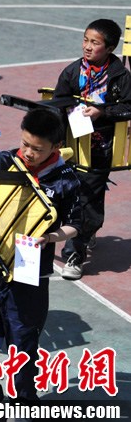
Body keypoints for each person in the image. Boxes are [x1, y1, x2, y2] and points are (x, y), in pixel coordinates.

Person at [0, 109, 84, 422]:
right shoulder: (4, 162)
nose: (29, 152)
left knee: (23, 342)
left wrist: (50, 237)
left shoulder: (66, 181)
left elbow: (77, 223)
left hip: (29, 266)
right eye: (25, 144)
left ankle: (24, 403)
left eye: (37, 148)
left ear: (56, 146)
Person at [55, 19, 131, 279]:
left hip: (101, 150)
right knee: (72, 196)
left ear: (109, 48)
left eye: (95, 43)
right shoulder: (72, 72)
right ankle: (85, 230)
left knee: (87, 198)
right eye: (85, 40)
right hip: (71, 147)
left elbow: (128, 107)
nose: (87, 47)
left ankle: (74, 254)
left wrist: (102, 112)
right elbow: (58, 104)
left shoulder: (120, 77)